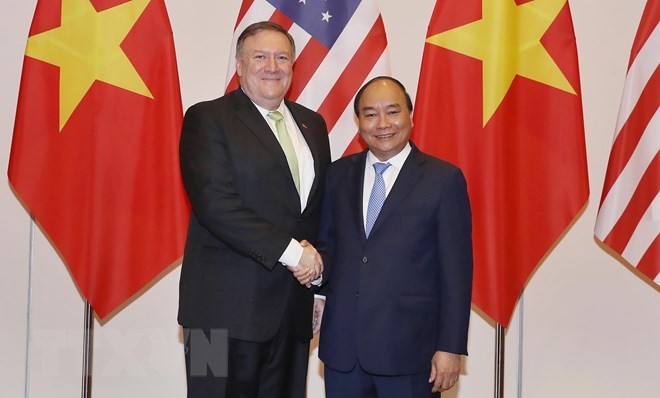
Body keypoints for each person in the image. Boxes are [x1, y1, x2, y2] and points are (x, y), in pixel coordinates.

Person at [177, 21, 331, 398]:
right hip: (214, 318)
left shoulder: (313, 124)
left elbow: (318, 212)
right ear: (240, 65)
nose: (272, 66)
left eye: (282, 58)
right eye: (259, 56)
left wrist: (320, 286)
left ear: (293, 68)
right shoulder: (206, 117)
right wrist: (296, 254)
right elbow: (216, 204)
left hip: (292, 314)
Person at [314, 76, 473, 398]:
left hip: (411, 354)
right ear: (358, 122)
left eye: (393, 111)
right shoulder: (337, 175)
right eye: (370, 114)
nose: (382, 123)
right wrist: (316, 290)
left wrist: (450, 347)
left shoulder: (443, 180)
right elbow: (328, 246)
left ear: (410, 116)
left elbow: (456, 272)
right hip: (344, 352)